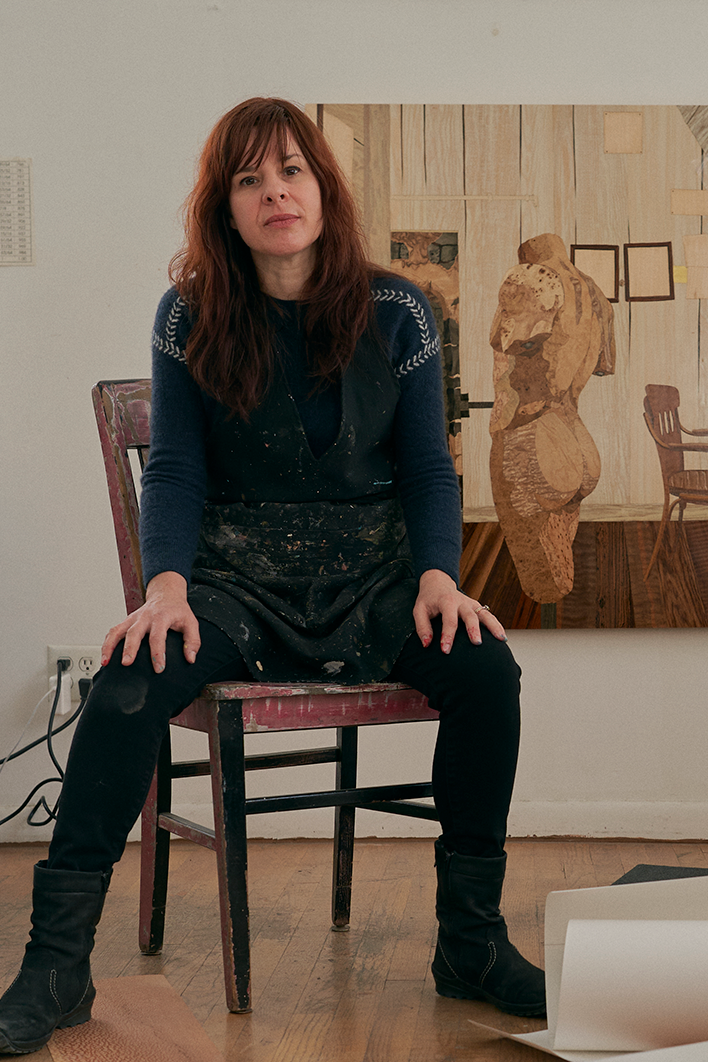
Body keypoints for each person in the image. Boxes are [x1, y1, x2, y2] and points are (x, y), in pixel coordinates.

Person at [0, 98, 544, 1056]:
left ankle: (470, 942)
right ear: (227, 206)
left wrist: (437, 579)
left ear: (323, 190)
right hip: (235, 591)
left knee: (488, 671)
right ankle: (56, 963)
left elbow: (427, 467)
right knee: (124, 687)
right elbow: (173, 468)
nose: (275, 192)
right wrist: (163, 589)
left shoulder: (402, 310)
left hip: (375, 587)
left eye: (291, 170)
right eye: (249, 179)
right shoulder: (191, 316)